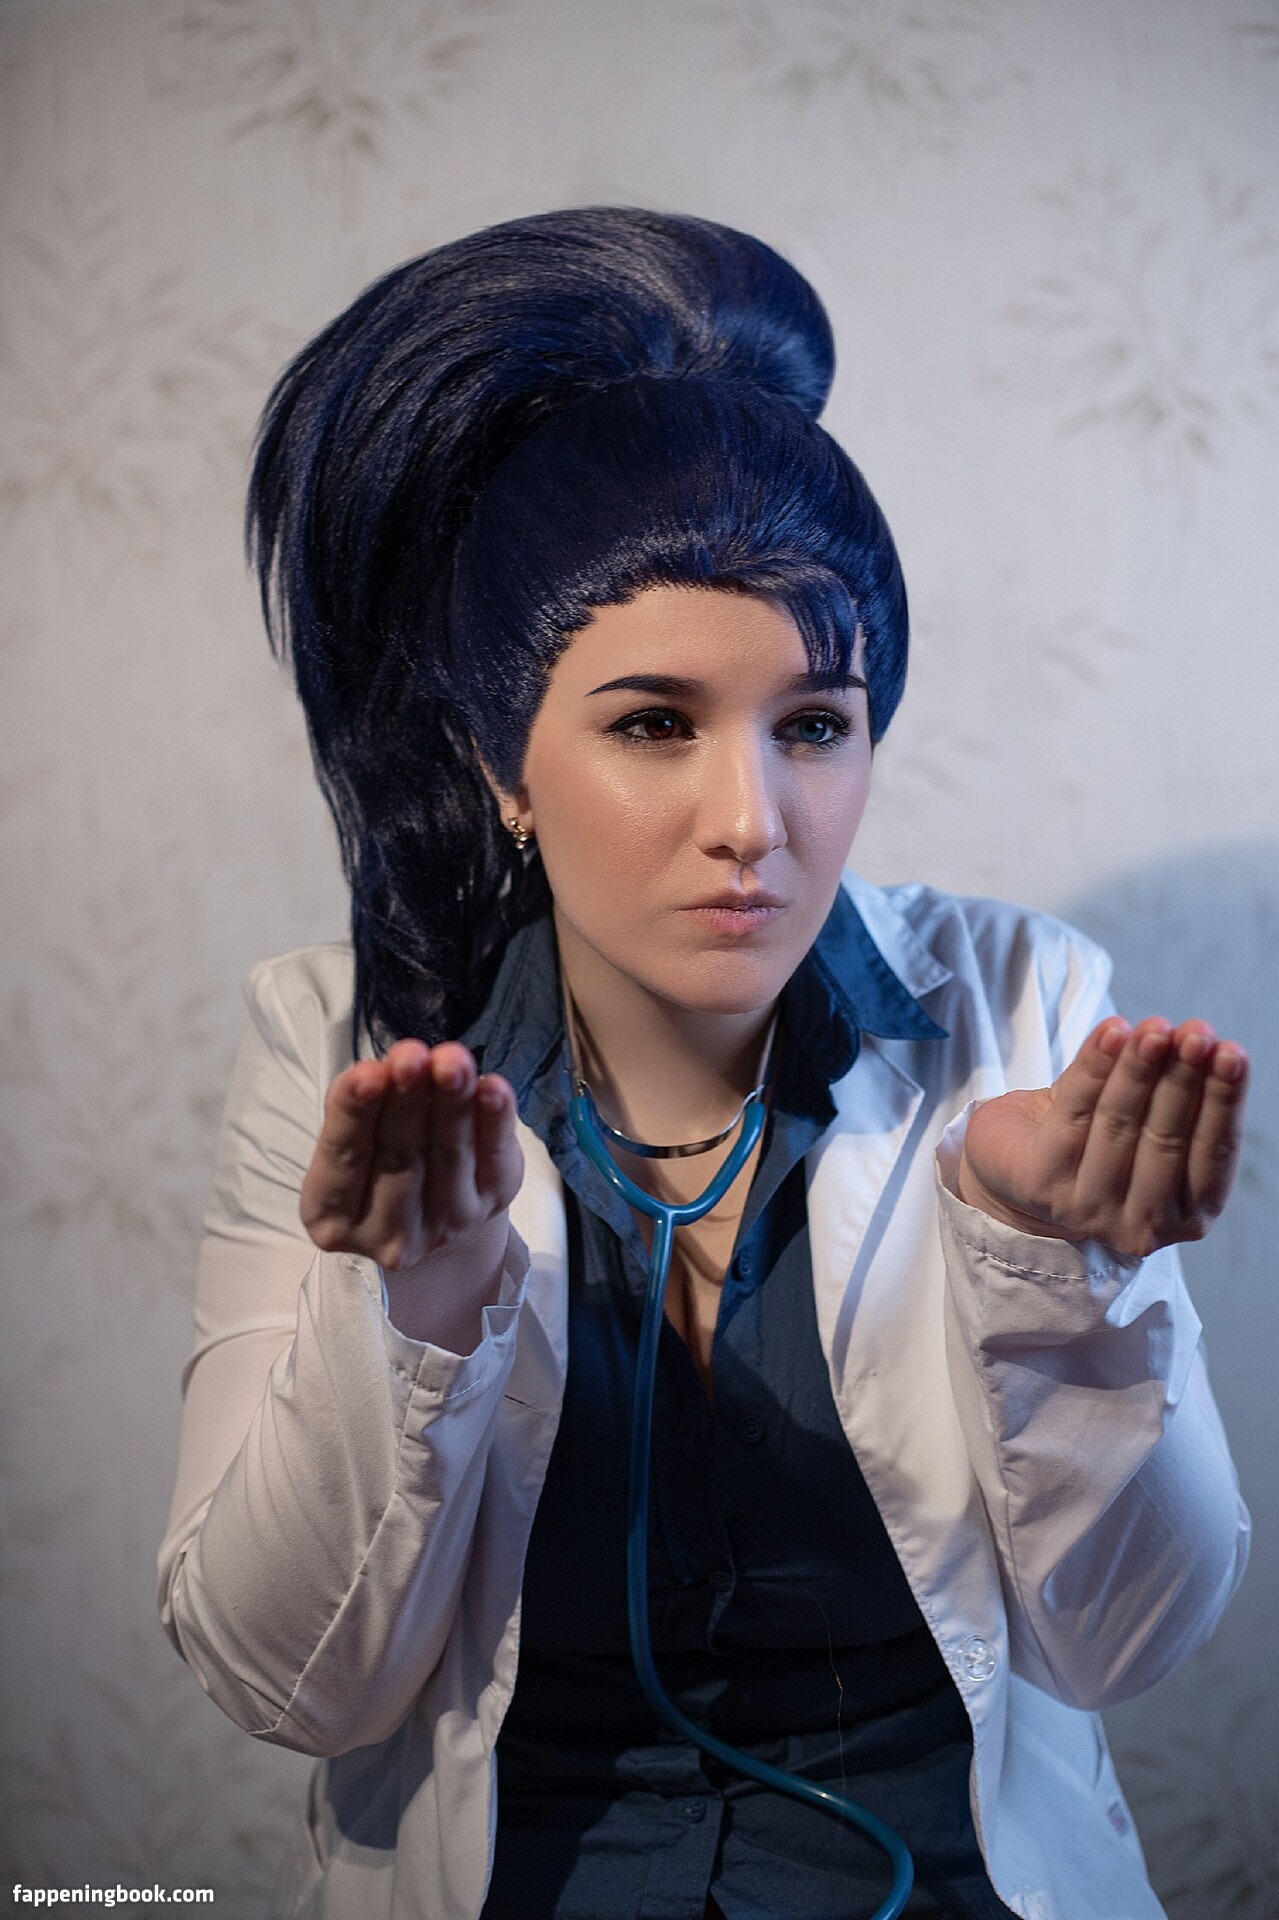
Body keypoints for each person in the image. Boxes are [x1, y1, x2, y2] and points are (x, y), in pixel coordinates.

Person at [156, 208, 1251, 1920]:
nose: (753, 821)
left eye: (814, 725)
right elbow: (288, 1682)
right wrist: (419, 1311)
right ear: (499, 759)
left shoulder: (1025, 1006)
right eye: (655, 724)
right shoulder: (340, 1045)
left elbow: (1124, 1645)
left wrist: (1054, 1272)